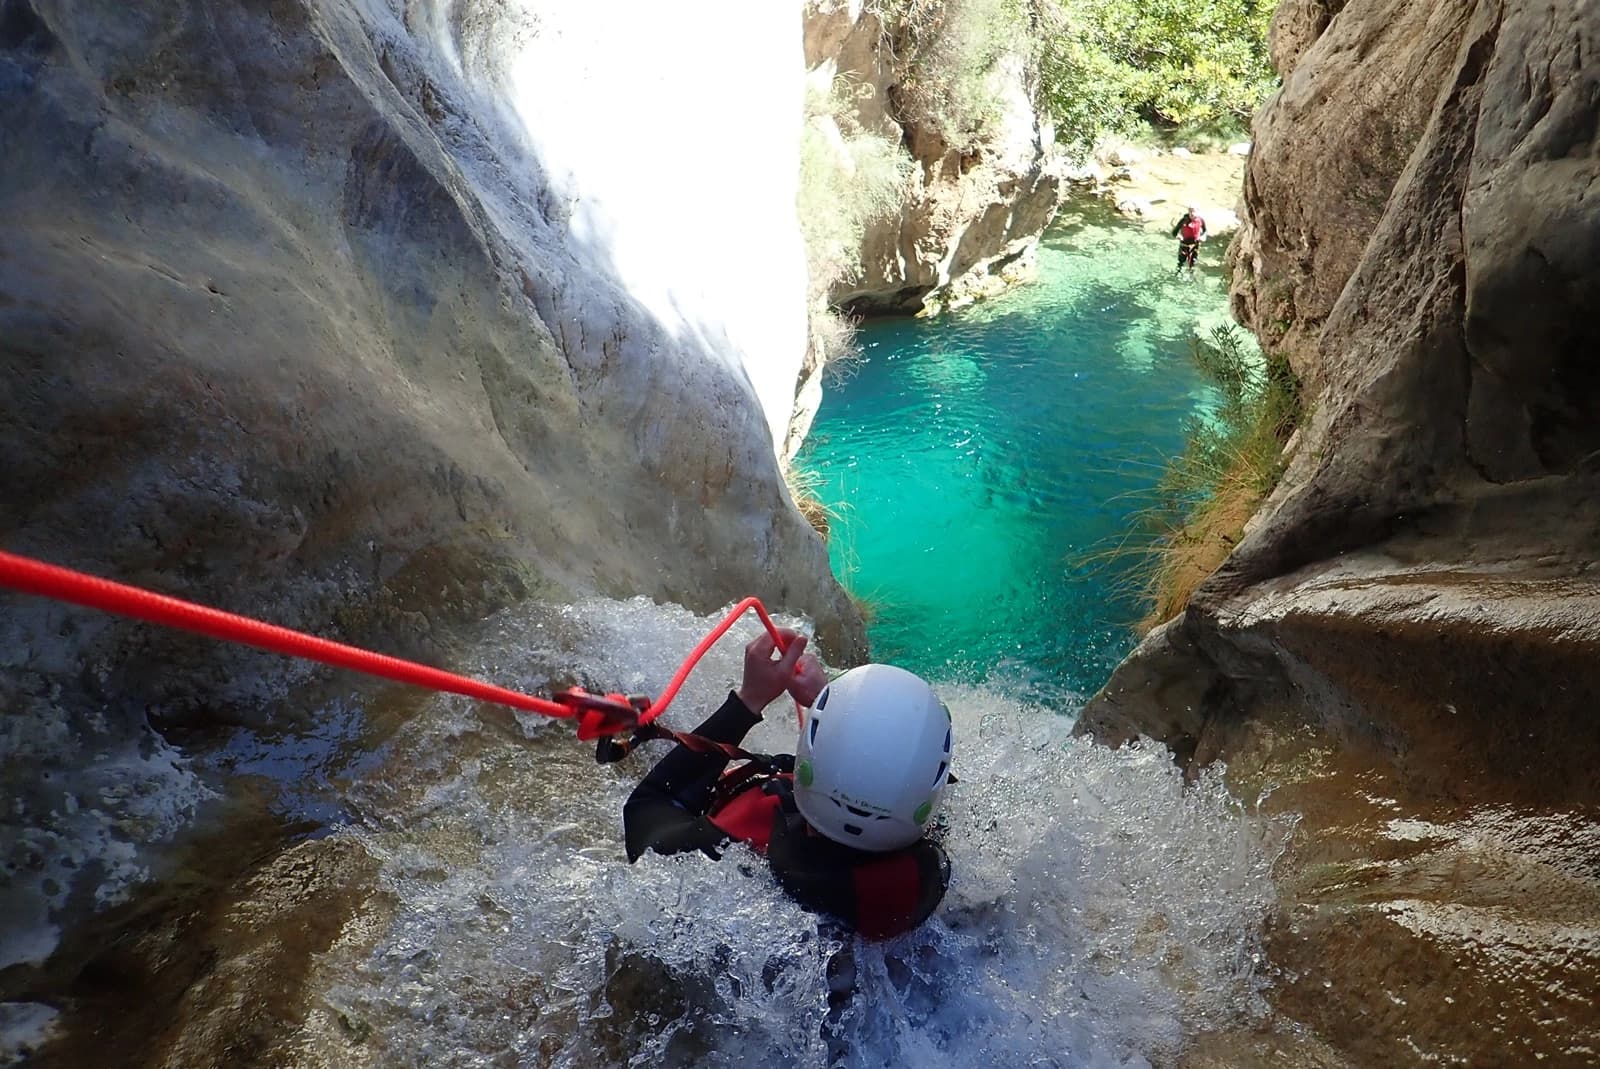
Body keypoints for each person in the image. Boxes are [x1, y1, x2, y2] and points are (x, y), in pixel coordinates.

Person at [623, 629, 953, 940]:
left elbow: (650, 805)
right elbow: (923, 779)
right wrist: (837, 709)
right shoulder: (929, 878)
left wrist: (748, 701)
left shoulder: (740, 845)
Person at [1172, 204, 1207, 278]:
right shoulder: (1184, 220)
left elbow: (1205, 231)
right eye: (1190, 211)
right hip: (1184, 244)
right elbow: (1174, 232)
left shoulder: (1200, 220)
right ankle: (1177, 274)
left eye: (1194, 211)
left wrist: (1203, 237)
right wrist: (1178, 236)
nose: (1192, 213)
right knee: (1181, 261)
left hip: (1195, 245)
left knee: (1193, 262)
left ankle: (1191, 276)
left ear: (1198, 211)